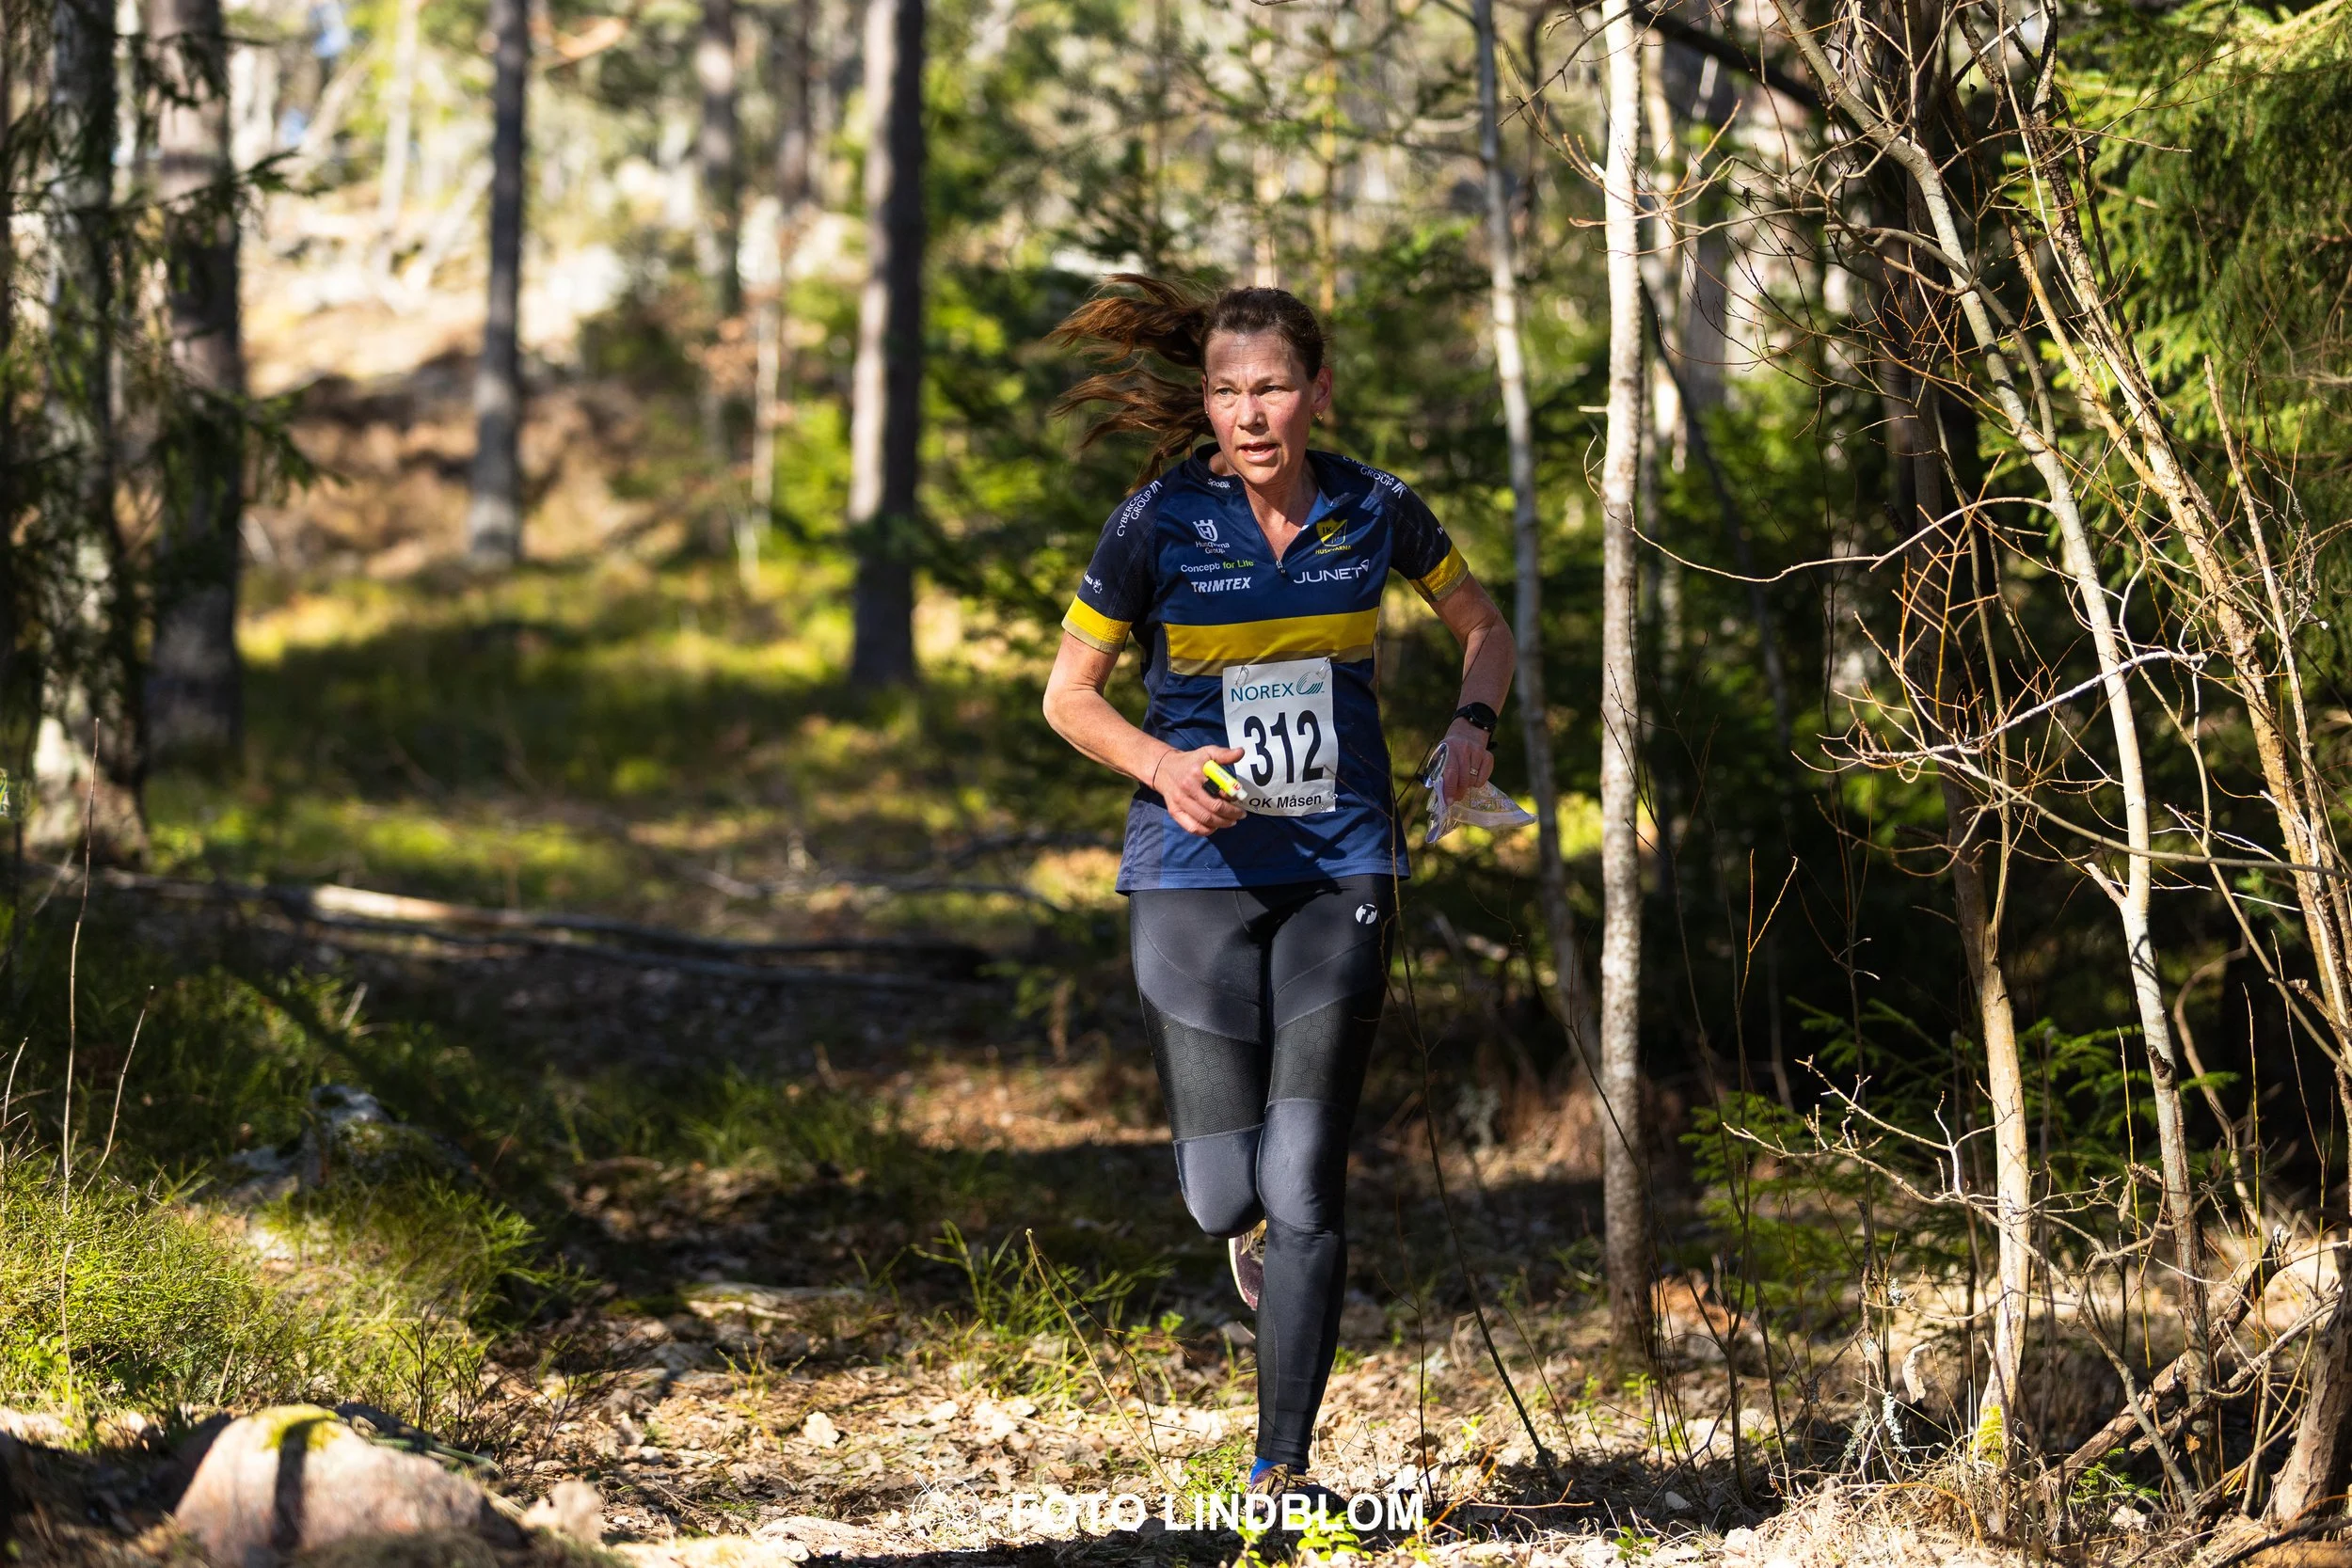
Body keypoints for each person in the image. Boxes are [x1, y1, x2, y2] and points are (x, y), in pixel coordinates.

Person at [1041, 277, 1518, 1509]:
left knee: (1306, 1175)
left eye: (1272, 388)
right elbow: (1069, 695)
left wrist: (1471, 726)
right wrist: (1162, 767)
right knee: (1223, 1193)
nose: (1249, 415)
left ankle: (1278, 1466)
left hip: (1338, 864)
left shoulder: (1374, 506)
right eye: (1226, 390)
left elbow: (1484, 626)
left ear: (1317, 392)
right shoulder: (1156, 519)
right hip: (1192, 869)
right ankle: (1243, 1239)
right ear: (1205, 400)